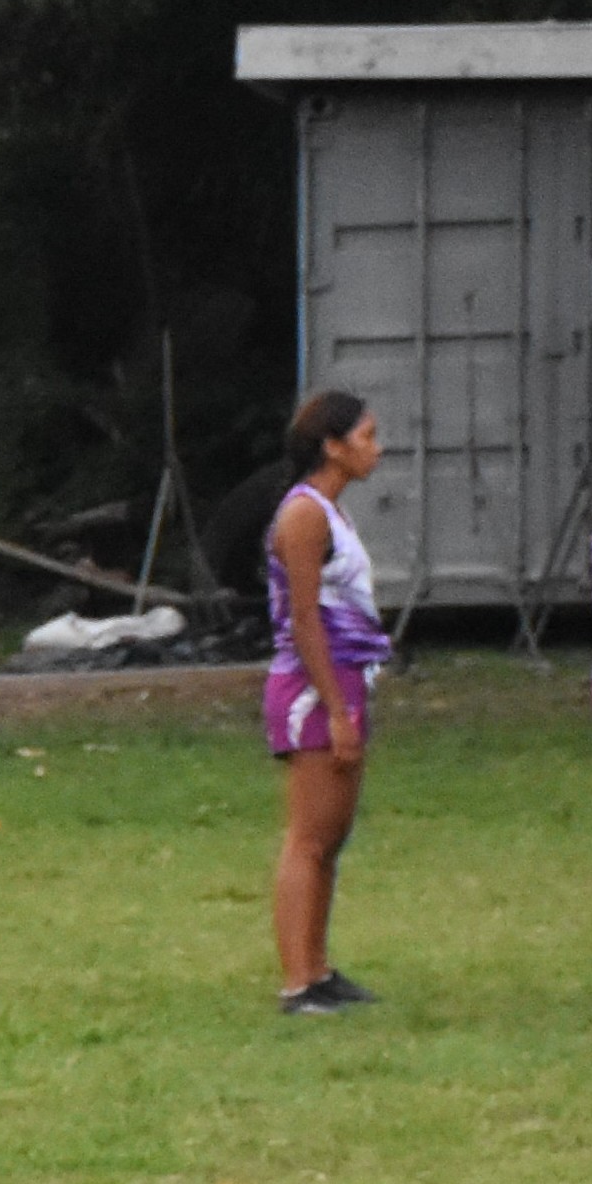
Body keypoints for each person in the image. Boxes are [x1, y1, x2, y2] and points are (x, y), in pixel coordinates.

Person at [263, 390, 391, 1014]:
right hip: (313, 689)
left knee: (331, 837)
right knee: (309, 838)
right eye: (366, 437)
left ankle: (319, 968)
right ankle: (298, 981)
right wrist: (335, 708)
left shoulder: (332, 513)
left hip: (344, 681)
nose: (377, 449)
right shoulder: (304, 514)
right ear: (332, 447)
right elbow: (305, 618)